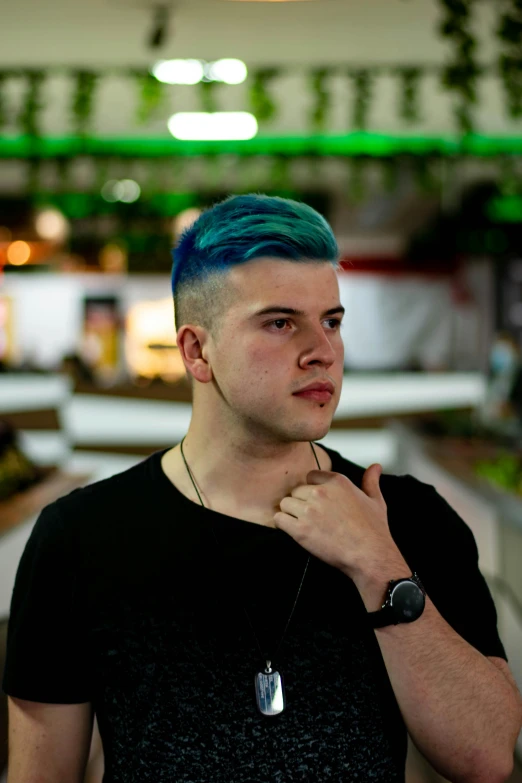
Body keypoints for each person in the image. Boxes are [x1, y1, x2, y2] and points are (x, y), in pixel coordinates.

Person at [2, 194, 522, 783]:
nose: (322, 352)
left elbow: (488, 757)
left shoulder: (406, 518)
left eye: (331, 321)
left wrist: (377, 566)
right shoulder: (80, 539)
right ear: (197, 351)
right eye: (280, 323)